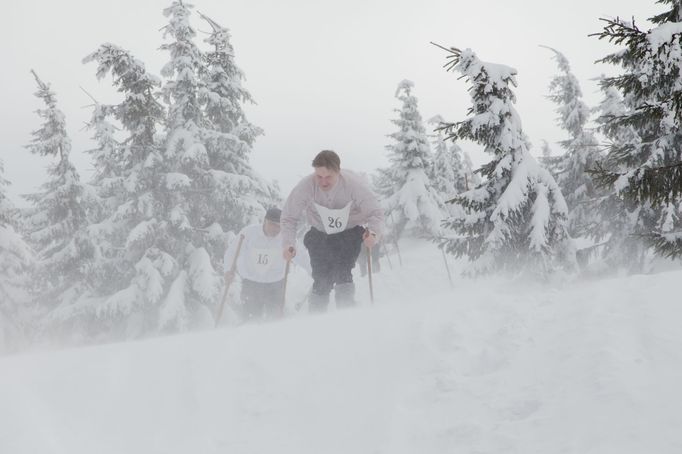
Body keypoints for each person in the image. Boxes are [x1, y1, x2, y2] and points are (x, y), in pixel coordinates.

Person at [281, 150, 384, 312]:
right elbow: (289, 217)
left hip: (349, 232)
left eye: (328, 177)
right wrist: (288, 244)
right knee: (321, 277)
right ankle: (315, 318)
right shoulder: (306, 187)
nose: (323, 182)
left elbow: (375, 212)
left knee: (343, 271)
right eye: (319, 176)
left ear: (338, 171)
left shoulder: (354, 185)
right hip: (319, 234)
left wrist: (373, 234)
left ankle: (346, 313)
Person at [224, 207, 309, 321]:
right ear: (265, 221)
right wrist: (228, 270)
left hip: (275, 286)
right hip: (251, 284)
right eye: (272, 224)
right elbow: (232, 252)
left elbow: (302, 257)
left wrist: (316, 272)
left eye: (279, 226)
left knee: (273, 321)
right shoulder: (248, 233)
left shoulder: (286, 238)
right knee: (250, 320)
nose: (275, 228)